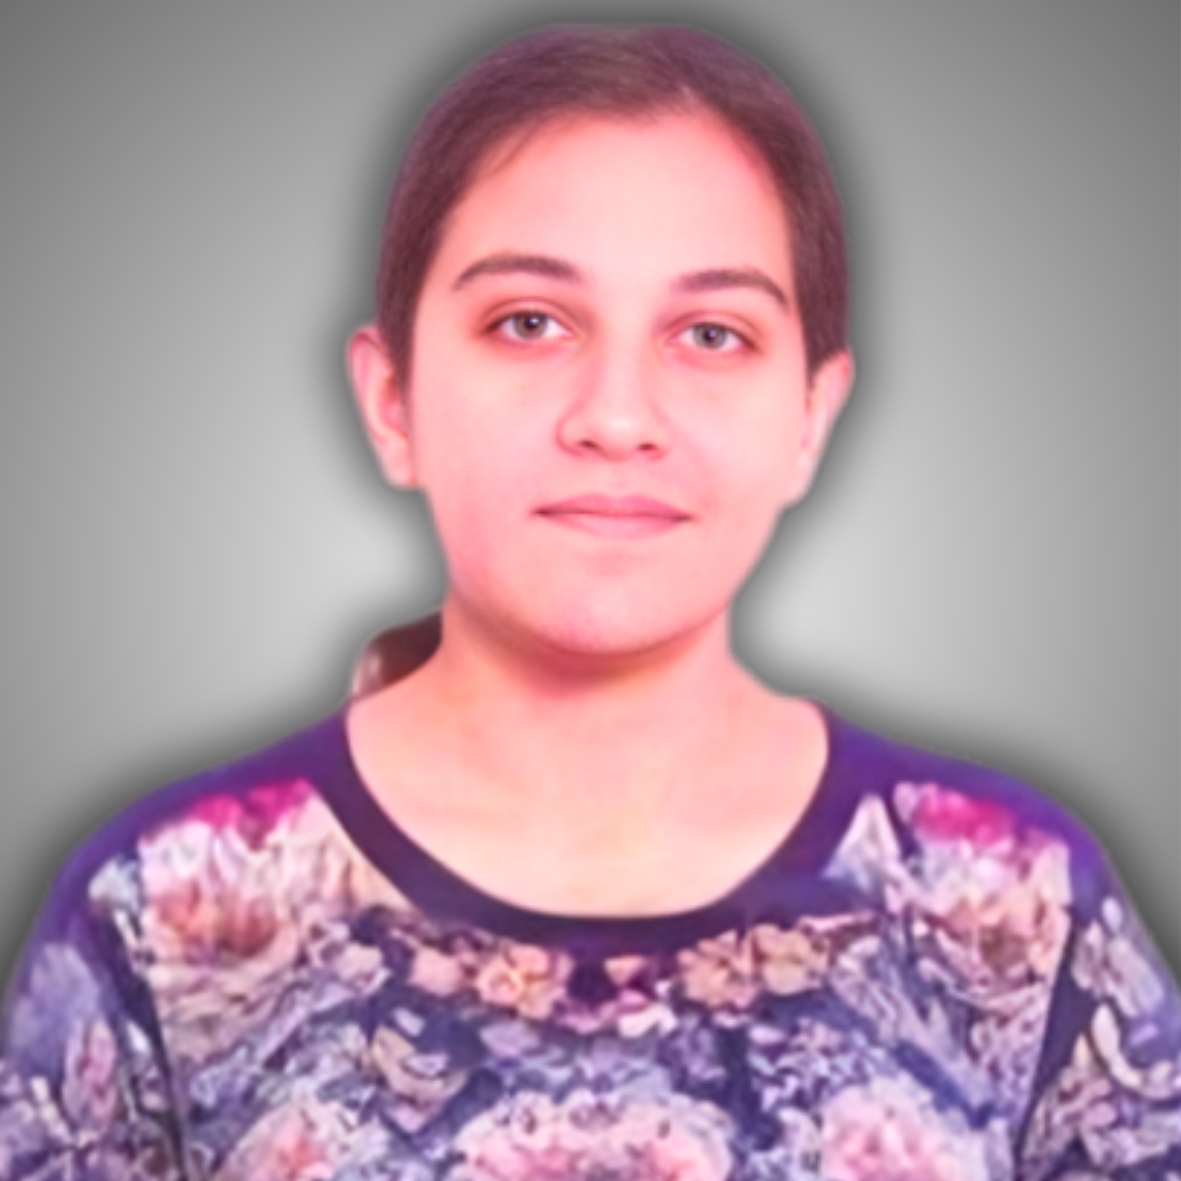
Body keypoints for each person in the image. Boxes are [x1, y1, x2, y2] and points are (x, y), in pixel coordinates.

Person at [0, 22, 1177, 1180]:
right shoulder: (165, 914)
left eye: (710, 333)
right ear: (392, 398)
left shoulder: (1009, 906)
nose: (616, 416)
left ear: (809, 418)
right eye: (528, 323)